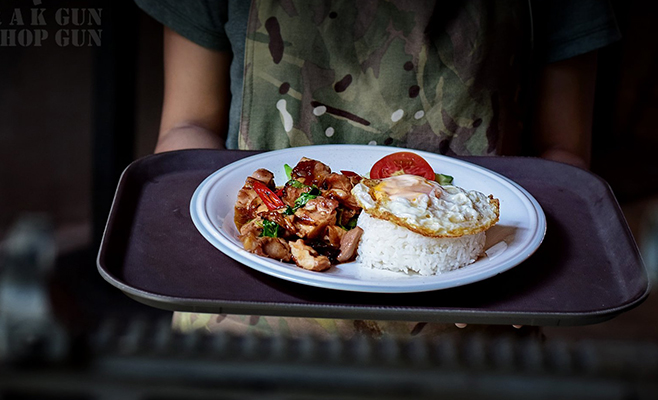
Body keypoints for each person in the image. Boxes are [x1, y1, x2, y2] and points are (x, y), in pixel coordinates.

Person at [134, 0, 621, 338]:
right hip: (244, 321)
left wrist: (524, 269)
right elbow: (187, 126)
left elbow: (563, 153)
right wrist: (194, 236)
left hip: (474, 328)